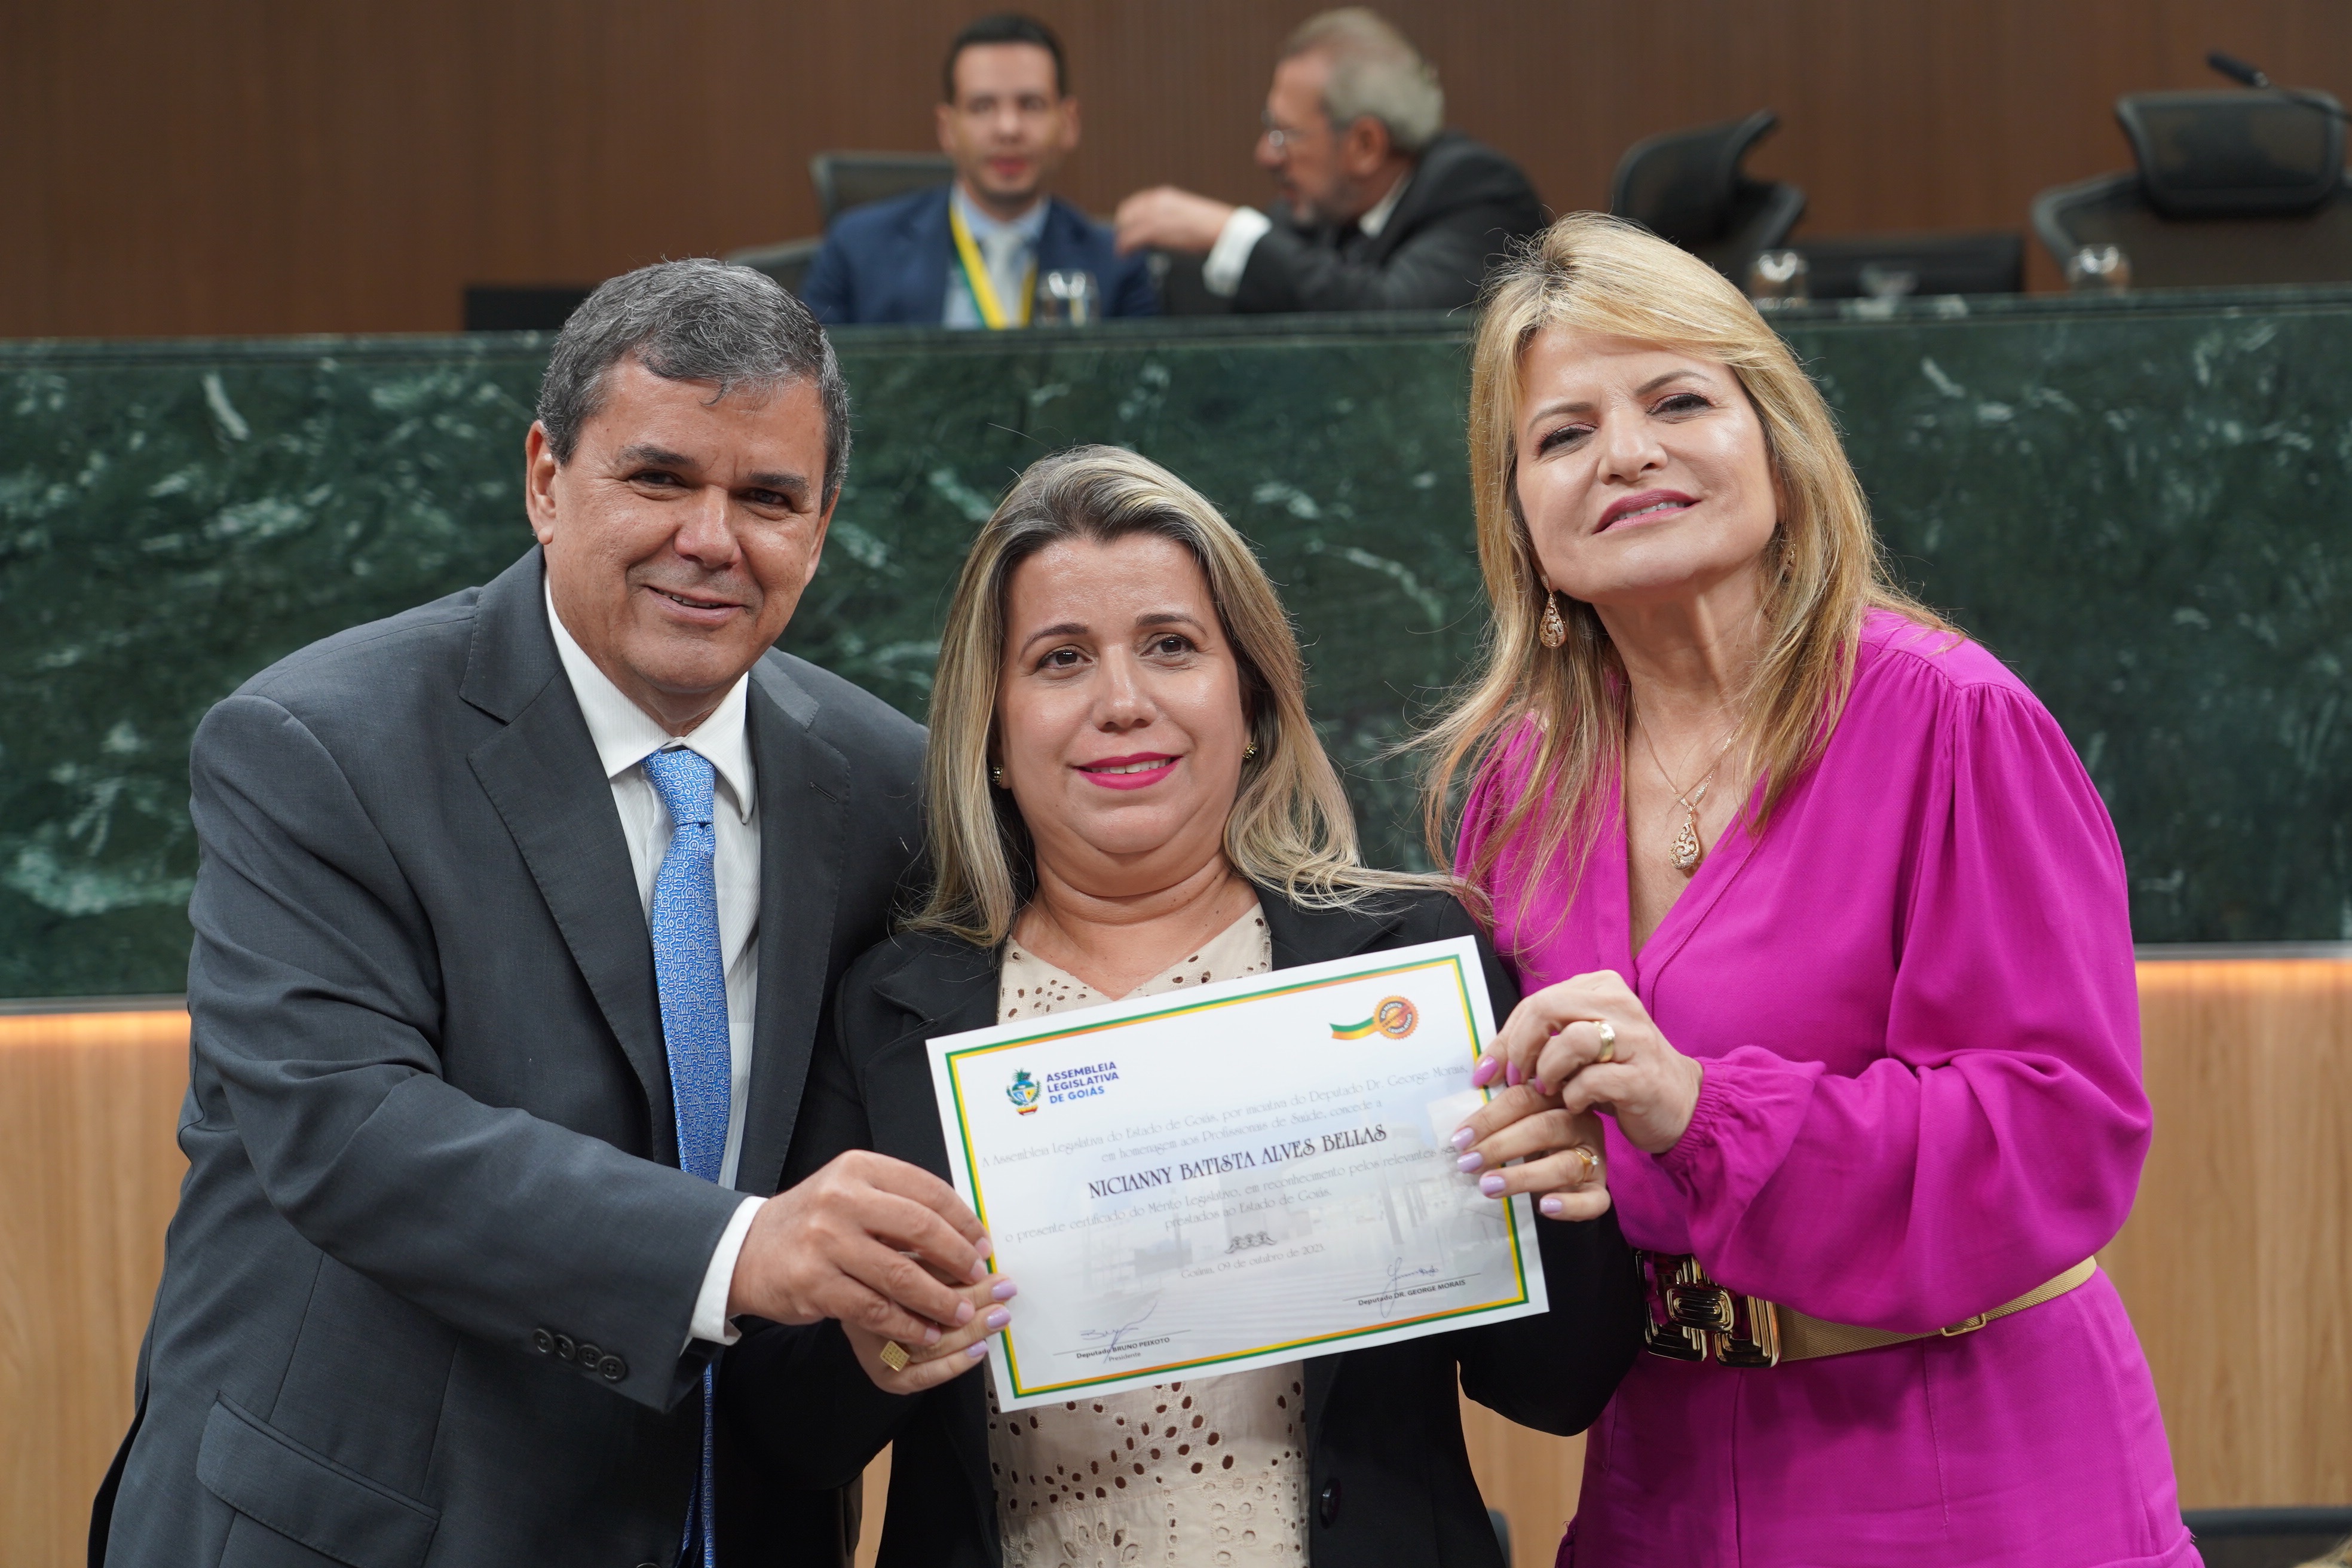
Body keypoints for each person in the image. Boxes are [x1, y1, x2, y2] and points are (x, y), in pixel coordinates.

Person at [92, 259, 1004, 1566]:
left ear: (820, 525)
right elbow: (348, 1131)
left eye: (767, 497)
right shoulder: (315, 744)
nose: (712, 538)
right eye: (659, 478)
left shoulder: (889, 790)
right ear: (544, 478)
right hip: (366, 1529)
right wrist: (741, 1246)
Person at [720, 446, 1646, 1566]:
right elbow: (788, 1434)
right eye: (1061, 659)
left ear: (1249, 699)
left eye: (1171, 646)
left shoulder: (1411, 959)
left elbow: (1554, 1389)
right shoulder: (887, 1009)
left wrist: (1568, 1193)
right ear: (994, 732)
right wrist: (875, 1346)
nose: (1123, 703)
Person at [1431, 213, 2198, 1567]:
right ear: (1522, 525)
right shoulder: (1513, 786)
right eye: (1563, 434)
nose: (1627, 453)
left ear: (1777, 446)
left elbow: (2055, 1130)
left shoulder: (1952, 719)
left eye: (1678, 401)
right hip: (1659, 1476)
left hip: (1965, 1467)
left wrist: (1697, 1107)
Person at [1113, 10, 1543, 314]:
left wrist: (1230, 233)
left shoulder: (1477, 190)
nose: (1265, 154)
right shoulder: (1321, 211)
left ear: (1365, 145)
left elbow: (1390, 315)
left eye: (1286, 133)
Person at [800, 14, 1156, 328]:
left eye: (1031, 105)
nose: (1008, 128)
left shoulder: (1117, 263)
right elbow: (811, 378)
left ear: (1068, 123)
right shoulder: (858, 250)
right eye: (982, 107)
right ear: (947, 128)